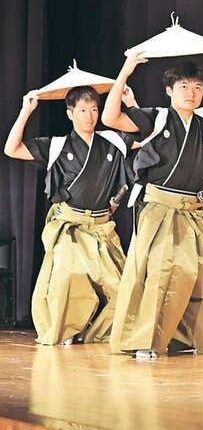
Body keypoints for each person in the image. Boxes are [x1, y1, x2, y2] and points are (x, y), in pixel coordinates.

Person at [102, 54, 203, 358]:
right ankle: (146, 341)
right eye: (183, 86)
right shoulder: (156, 118)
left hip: (194, 212)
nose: (191, 92)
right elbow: (110, 118)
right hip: (160, 209)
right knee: (163, 272)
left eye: (197, 87)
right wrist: (126, 69)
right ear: (169, 90)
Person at [4, 86, 134, 345]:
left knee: (121, 290)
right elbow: (12, 149)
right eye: (83, 110)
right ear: (70, 113)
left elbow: (149, 135)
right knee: (68, 279)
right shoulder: (57, 146)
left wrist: (130, 104)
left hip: (100, 228)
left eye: (94, 109)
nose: (90, 116)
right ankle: (63, 331)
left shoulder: (113, 141)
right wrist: (25, 111)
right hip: (71, 226)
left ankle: (94, 334)